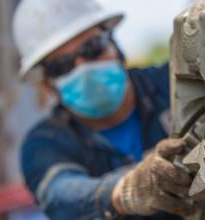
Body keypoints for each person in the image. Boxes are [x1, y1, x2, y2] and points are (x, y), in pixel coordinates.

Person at [13, 0, 194, 219]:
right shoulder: (45, 143)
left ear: (115, 46)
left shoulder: (176, 86)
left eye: (92, 48)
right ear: (49, 86)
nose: (83, 68)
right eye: (61, 65)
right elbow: (60, 195)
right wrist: (125, 191)